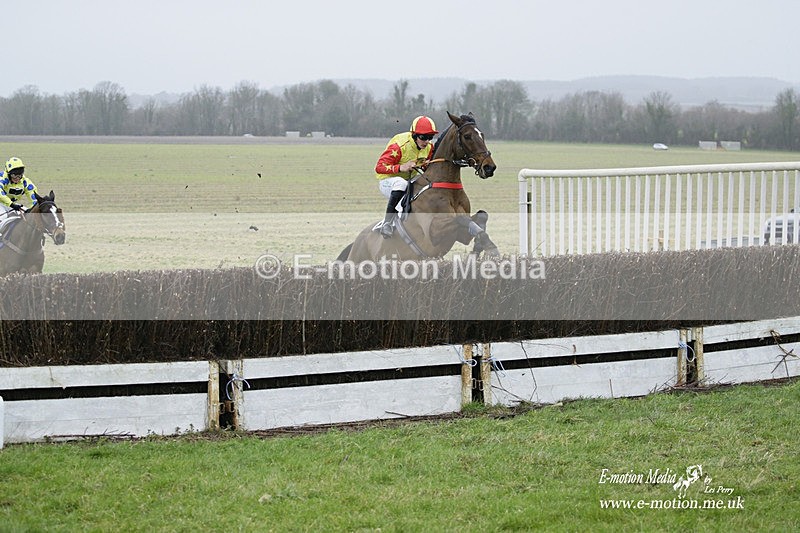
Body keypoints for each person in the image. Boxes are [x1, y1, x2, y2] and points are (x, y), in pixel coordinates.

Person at [374, 115, 438, 237]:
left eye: (430, 137)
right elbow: (379, 167)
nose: (427, 141)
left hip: (410, 178)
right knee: (401, 183)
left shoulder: (429, 147)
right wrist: (400, 167)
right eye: (423, 137)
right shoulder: (399, 146)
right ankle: (387, 223)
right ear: (414, 135)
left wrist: (426, 166)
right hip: (388, 181)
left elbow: (425, 166)